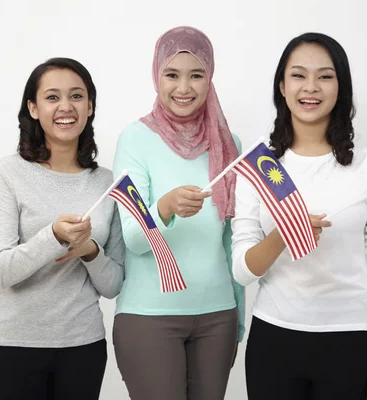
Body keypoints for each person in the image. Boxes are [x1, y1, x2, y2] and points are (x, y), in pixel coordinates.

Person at [232, 33, 367, 400]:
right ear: (282, 86)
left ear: (341, 87)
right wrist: (284, 234)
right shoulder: (258, 167)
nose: (311, 87)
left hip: (352, 340)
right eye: (298, 75)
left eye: (325, 76)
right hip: (274, 340)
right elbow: (242, 272)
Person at [0, 57, 125, 400]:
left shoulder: (105, 182)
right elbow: (1, 271)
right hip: (11, 346)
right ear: (33, 107)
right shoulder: (7, 174)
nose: (65, 107)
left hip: (82, 347)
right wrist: (53, 237)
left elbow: (114, 284)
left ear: (90, 107)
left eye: (76, 96)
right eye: (52, 97)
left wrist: (90, 251)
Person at [111, 26, 245, 400]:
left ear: (210, 77)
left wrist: (239, 316)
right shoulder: (136, 138)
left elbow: (231, 240)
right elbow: (135, 239)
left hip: (218, 315)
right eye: (172, 75)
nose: (183, 87)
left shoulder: (228, 143)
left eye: (196, 75)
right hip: (149, 317)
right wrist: (165, 207)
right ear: (157, 76)